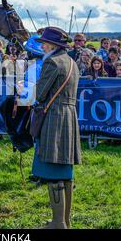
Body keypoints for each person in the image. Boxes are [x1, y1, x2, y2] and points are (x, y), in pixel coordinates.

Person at [32, 26, 81, 229]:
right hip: (69, 116)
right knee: (65, 172)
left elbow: (41, 94)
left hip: (54, 117)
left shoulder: (51, 62)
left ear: (52, 45)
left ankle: (58, 223)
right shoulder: (71, 62)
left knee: (52, 171)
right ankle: (65, 220)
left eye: (44, 42)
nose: (42, 45)